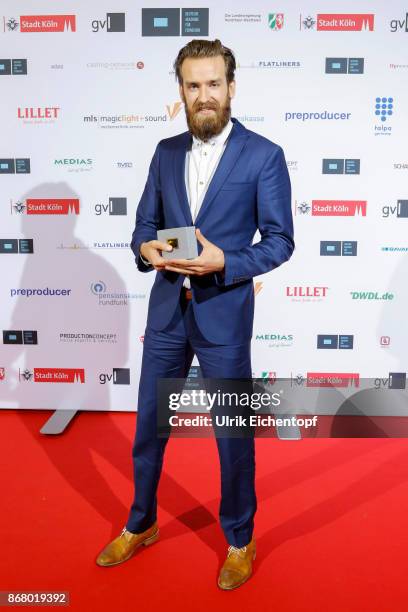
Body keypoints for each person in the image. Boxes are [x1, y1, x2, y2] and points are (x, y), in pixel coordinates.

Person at [96, 38, 294, 590]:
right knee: (147, 430)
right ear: (180, 91)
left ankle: (240, 539)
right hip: (166, 313)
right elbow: (143, 225)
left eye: (212, 84)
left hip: (224, 316)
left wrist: (225, 261)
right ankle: (141, 523)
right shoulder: (165, 152)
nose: (203, 96)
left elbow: (280, 241)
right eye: (192, 85)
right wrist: (145, 250)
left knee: (232, 436)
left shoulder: (264, 155)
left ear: (231, 87)